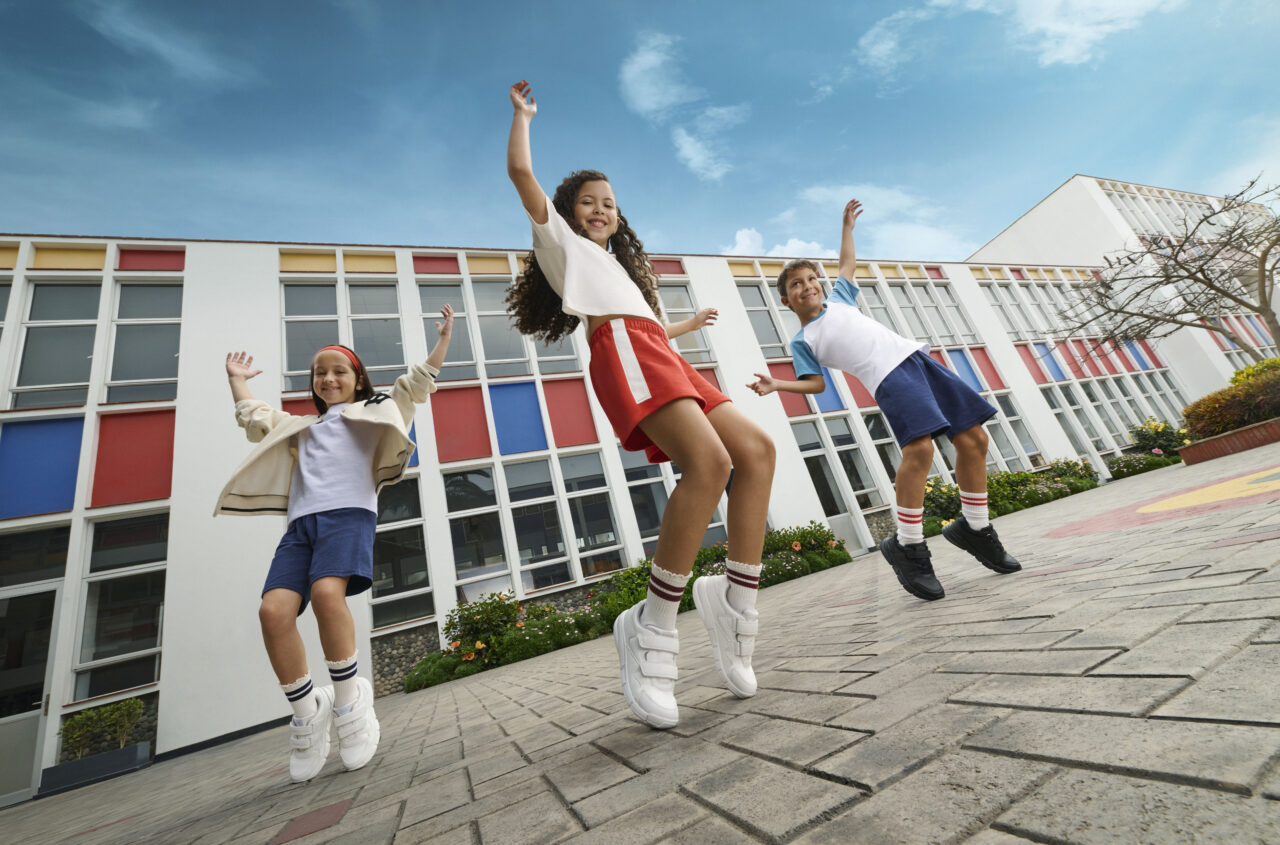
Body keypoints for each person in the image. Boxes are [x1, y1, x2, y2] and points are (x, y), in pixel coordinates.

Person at [505, 80, 775, 728]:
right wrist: (523, 119)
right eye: (588, 201)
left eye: (610, 203)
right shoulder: (560, 244)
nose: (601, 209)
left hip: (656, 348)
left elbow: (645, 323)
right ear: (568, 212)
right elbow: (520, 174)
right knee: (708, 464)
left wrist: (687, 325)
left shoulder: (621, 267)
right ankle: (651, 626)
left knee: (757, 451)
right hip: (624, 350)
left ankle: (735, 601)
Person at [216, 306, 453, 781]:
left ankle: (349, 704)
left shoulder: (378, 409)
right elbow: (254, 416)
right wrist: (237, 380)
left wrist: (443, 341)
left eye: (339, 370)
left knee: (327, 594)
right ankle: (308, 712)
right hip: (300, 528)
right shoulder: (299, 427)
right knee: (272, 613)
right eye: (319, 373)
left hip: (348, 516)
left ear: (358, 379)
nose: (328, 378)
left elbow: (417, 382)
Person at [748, 199, 1020, 601]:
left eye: (811, 279)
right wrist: (778, 385)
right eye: (796, 285)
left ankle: (975, 527)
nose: (807, 286)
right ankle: (908, 545)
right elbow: (816, 385)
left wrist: (847, 229)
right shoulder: (804, 340)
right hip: (889, 379)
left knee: (975, 438)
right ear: (786, 301)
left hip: (918, 361)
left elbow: (846, 265)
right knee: (921, 450)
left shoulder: (841, 299)